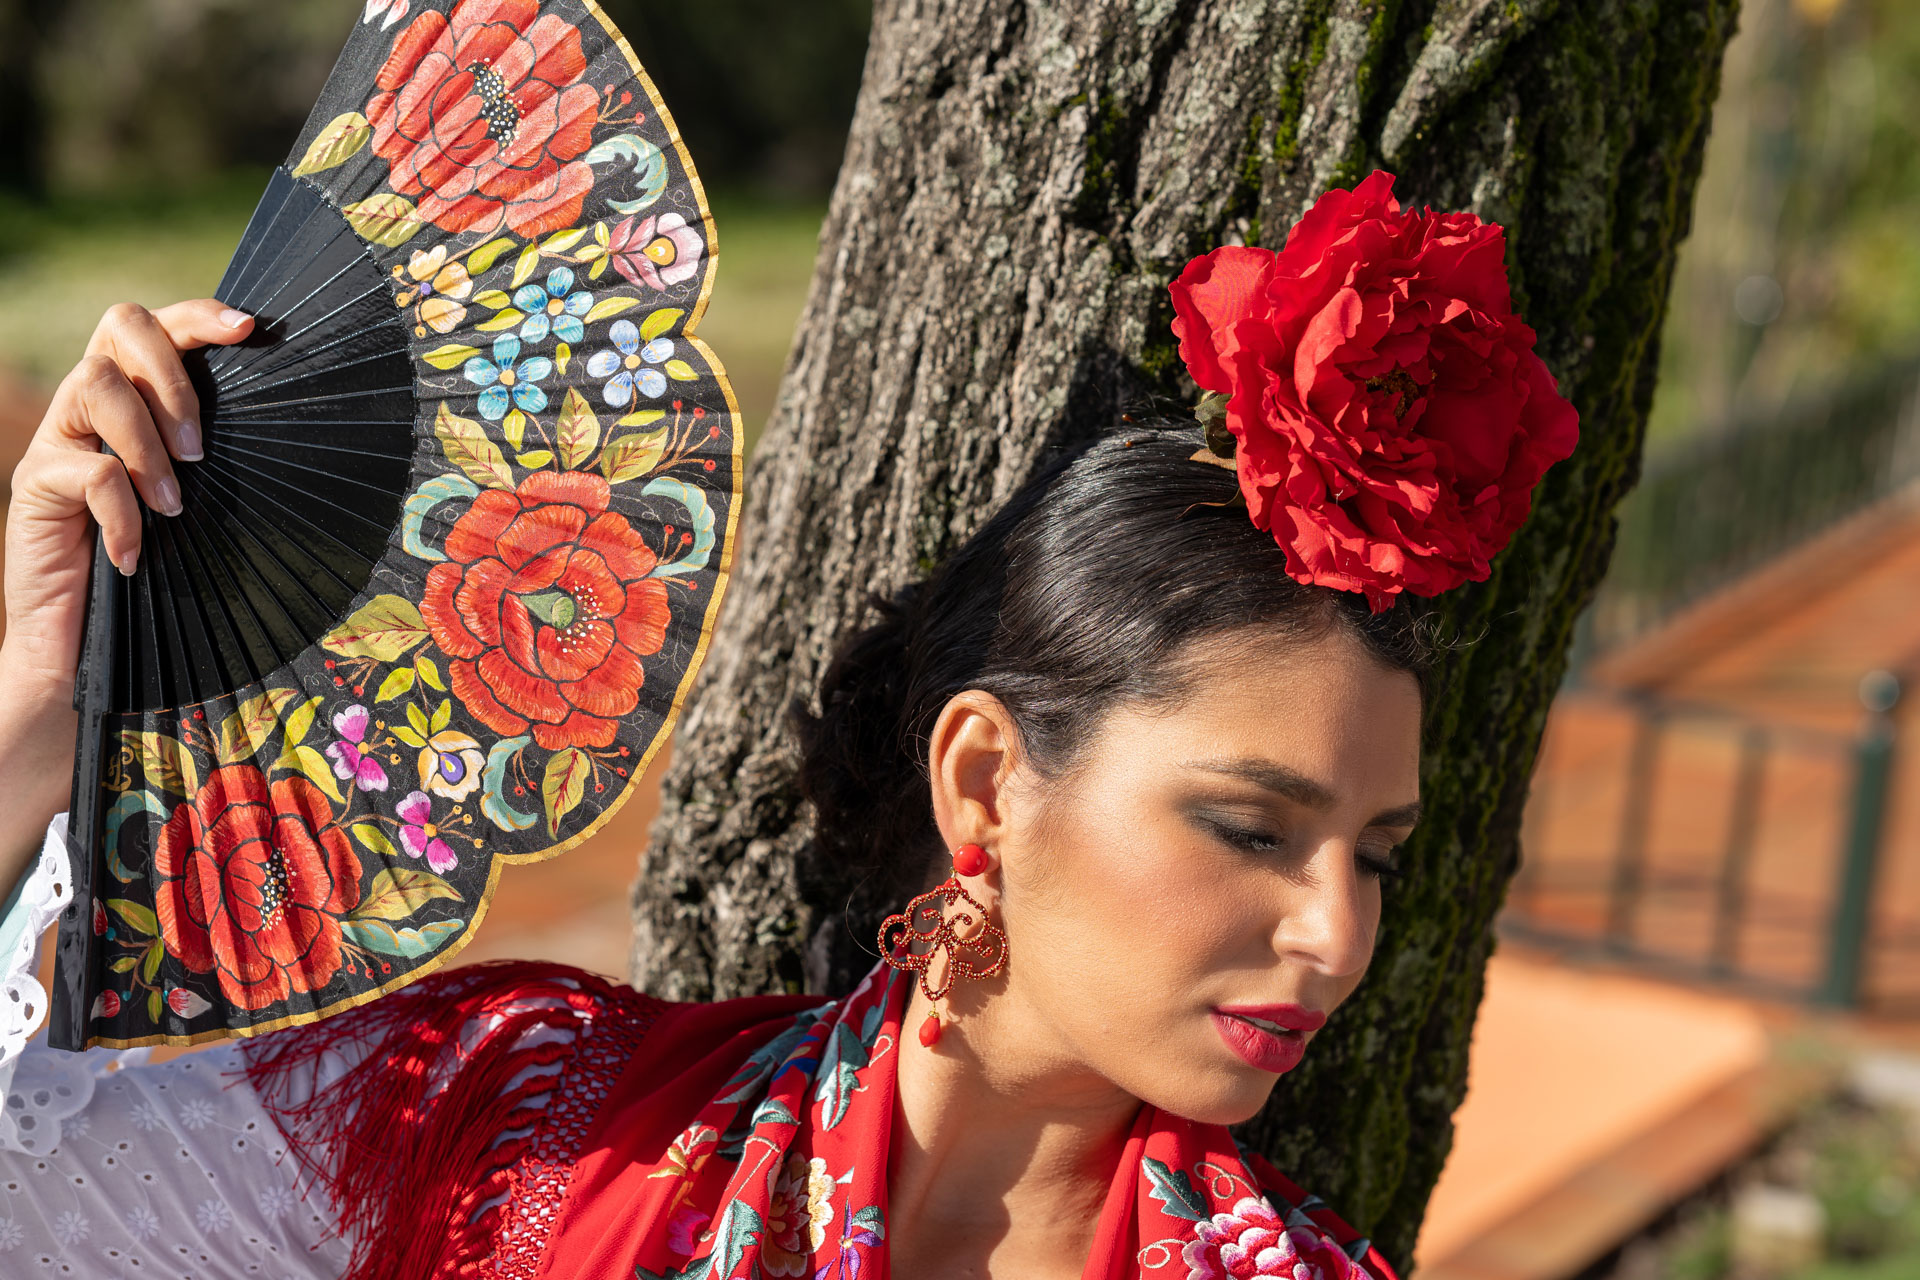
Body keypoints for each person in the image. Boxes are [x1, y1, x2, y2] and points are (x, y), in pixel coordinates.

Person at [0, 173, 1578, 1279]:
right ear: (986, 782)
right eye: (1250, 827)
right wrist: (38, 704)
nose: (1336, 936)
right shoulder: (525, 1128)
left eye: (1376, 857)